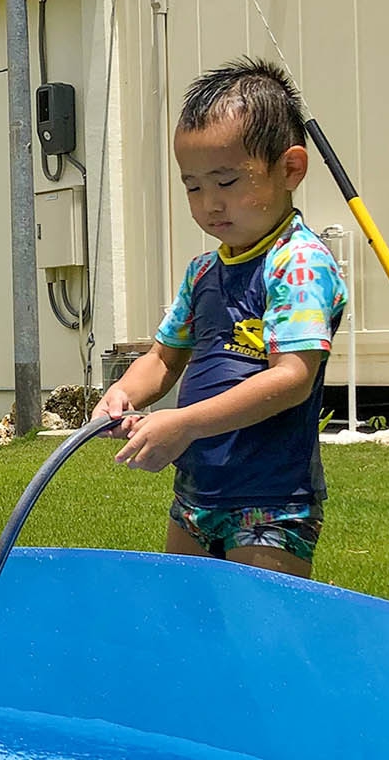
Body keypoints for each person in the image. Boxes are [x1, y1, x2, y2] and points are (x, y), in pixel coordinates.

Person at [92, 57, 346, 578]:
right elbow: (164, 358)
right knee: (190, 625)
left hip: (270, 497)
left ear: (290, 169)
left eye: (227, 181)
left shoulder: (297, 263)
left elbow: (293, 378)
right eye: (192, 186)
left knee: (258, 637)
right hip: (196, 491)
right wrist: (124, 394)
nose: (209, 203)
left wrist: (182, 425)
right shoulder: (204, 271)